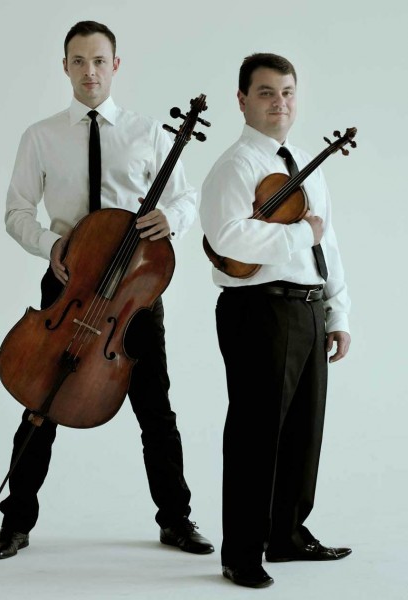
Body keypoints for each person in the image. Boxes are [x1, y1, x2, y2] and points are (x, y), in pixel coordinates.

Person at [0, 20, 213, 561]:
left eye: (99, 60)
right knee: (40, 403)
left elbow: (186, 196)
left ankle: (176, 519)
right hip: (68, 283)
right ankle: (15, 523)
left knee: (155, 408)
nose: (89, 71)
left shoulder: (149, 132)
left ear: (116, 65)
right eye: (79, 61)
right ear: (65, 66)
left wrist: (171, 219)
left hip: (132, 294)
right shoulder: (40, 136)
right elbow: (16, 211)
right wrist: (52, 245)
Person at [200, 53, 352, 589]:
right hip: (257, 309)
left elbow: (329, 242)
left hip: (307, 307)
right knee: (255, 433)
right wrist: (301, 233)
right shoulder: (234, 166)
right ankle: (241, 553)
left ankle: (286, 534)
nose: (279, 103)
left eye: (287, 92)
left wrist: (337, 310)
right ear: (242, 100)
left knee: (304, 431)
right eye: (266, 92)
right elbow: (227, 237)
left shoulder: (306, 161)